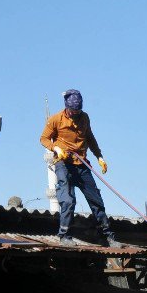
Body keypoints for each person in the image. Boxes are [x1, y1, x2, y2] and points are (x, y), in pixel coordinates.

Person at [40, 89, 121, 247]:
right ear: (67, 107)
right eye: (72, 110)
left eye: (78, 110)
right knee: (68, 200)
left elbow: (90, 138)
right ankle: (64, 235)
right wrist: (55, 148)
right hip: (63, 163)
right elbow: (43, 138)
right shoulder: (55, 119)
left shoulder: (84, 118)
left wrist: (99, 157)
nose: (75, 113)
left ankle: (108, 236)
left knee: (96, 200)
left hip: (81, 164)